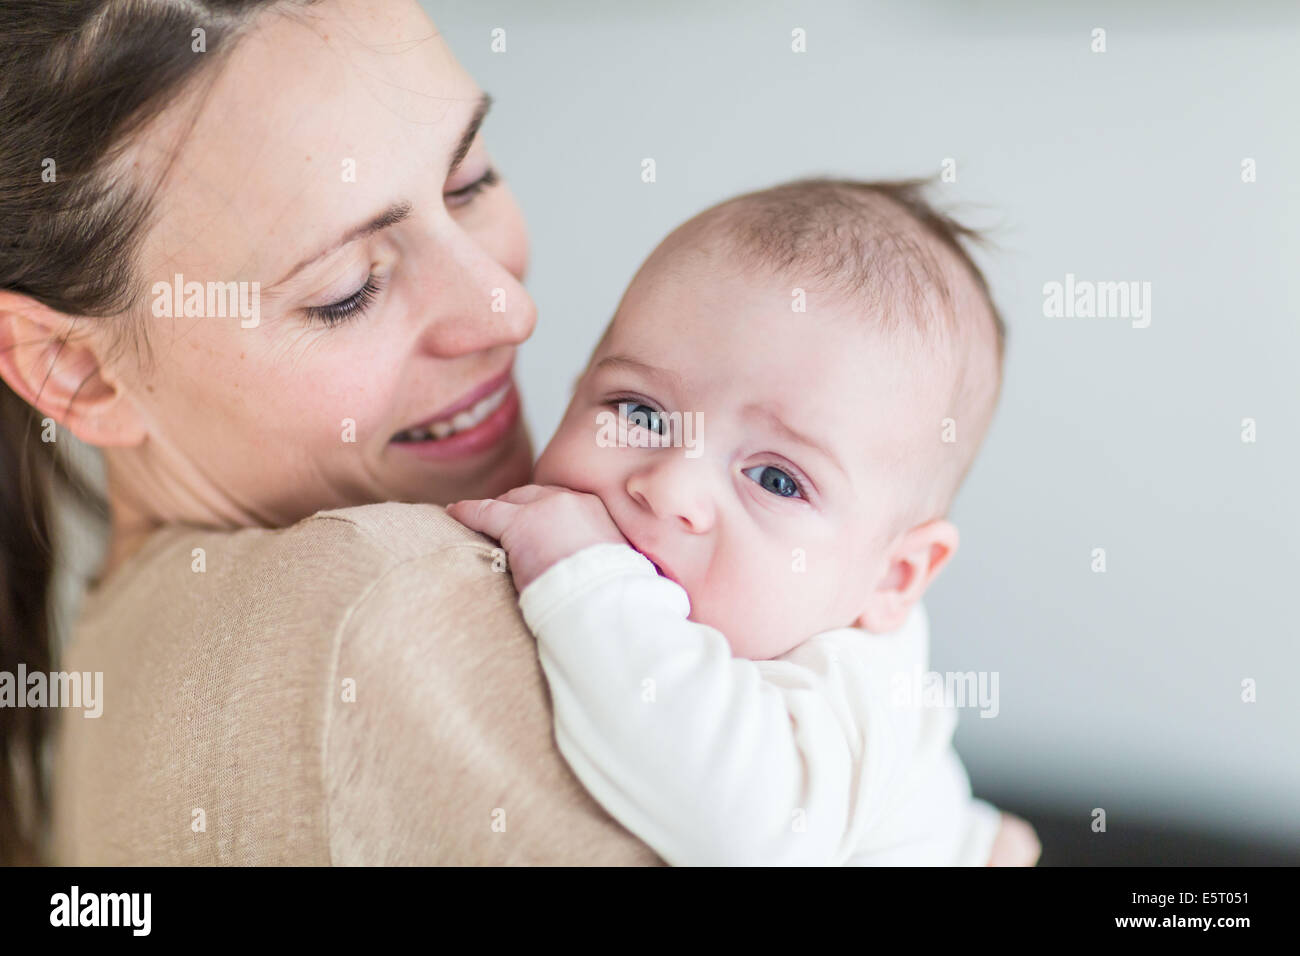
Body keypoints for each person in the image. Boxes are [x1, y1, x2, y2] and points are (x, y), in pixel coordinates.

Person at [450, 179, 1041, 865]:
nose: (669, 487)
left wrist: (584, 580)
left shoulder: (854, 686)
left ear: (893, 579)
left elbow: (746, 833)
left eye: (776, 480)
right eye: (639, 412)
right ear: (576, 389)